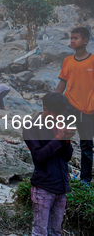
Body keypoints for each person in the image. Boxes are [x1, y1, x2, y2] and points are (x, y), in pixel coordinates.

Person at [23, 92, 75, 236]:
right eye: (57, 113)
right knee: (40, 231)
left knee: (55, 231)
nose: (60, 117)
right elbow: (39, 156)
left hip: (61, 187)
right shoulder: (31, 128)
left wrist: (66, 140)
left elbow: (67, 157)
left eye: (62, 114)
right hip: (43, 188)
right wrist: (58, 137)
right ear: (45, 109)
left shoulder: (59, 124)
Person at [55, 26, 94, 183]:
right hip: (69, 106)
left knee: (86, 146)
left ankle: (85, 181)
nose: (72, 41)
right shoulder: (67, 61)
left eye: (76, 38)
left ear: (85, 41)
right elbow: (62, 84)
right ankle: (61, 174)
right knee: (62, 140)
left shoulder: (93, 60)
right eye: (71, 38)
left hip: (88, 109)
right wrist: (51, 102)